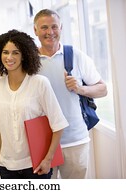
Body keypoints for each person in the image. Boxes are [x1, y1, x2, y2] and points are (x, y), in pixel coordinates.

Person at [33, 9, 108, 179]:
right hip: (42, 143)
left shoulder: (75, 56)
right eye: (44, 27)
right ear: (35, 30)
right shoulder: (30, 61)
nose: (50, 32)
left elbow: (103, 89)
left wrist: (81, 89)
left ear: (61, 28)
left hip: (75, 140)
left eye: (54, 27)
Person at [0, 29, 69, 179]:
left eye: (15, 52)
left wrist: (48, 159)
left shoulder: (39, 83)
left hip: (36, 165)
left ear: (24, 55)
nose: (9, 57)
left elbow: (58, 125)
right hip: (6, 167)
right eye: (5, 52)